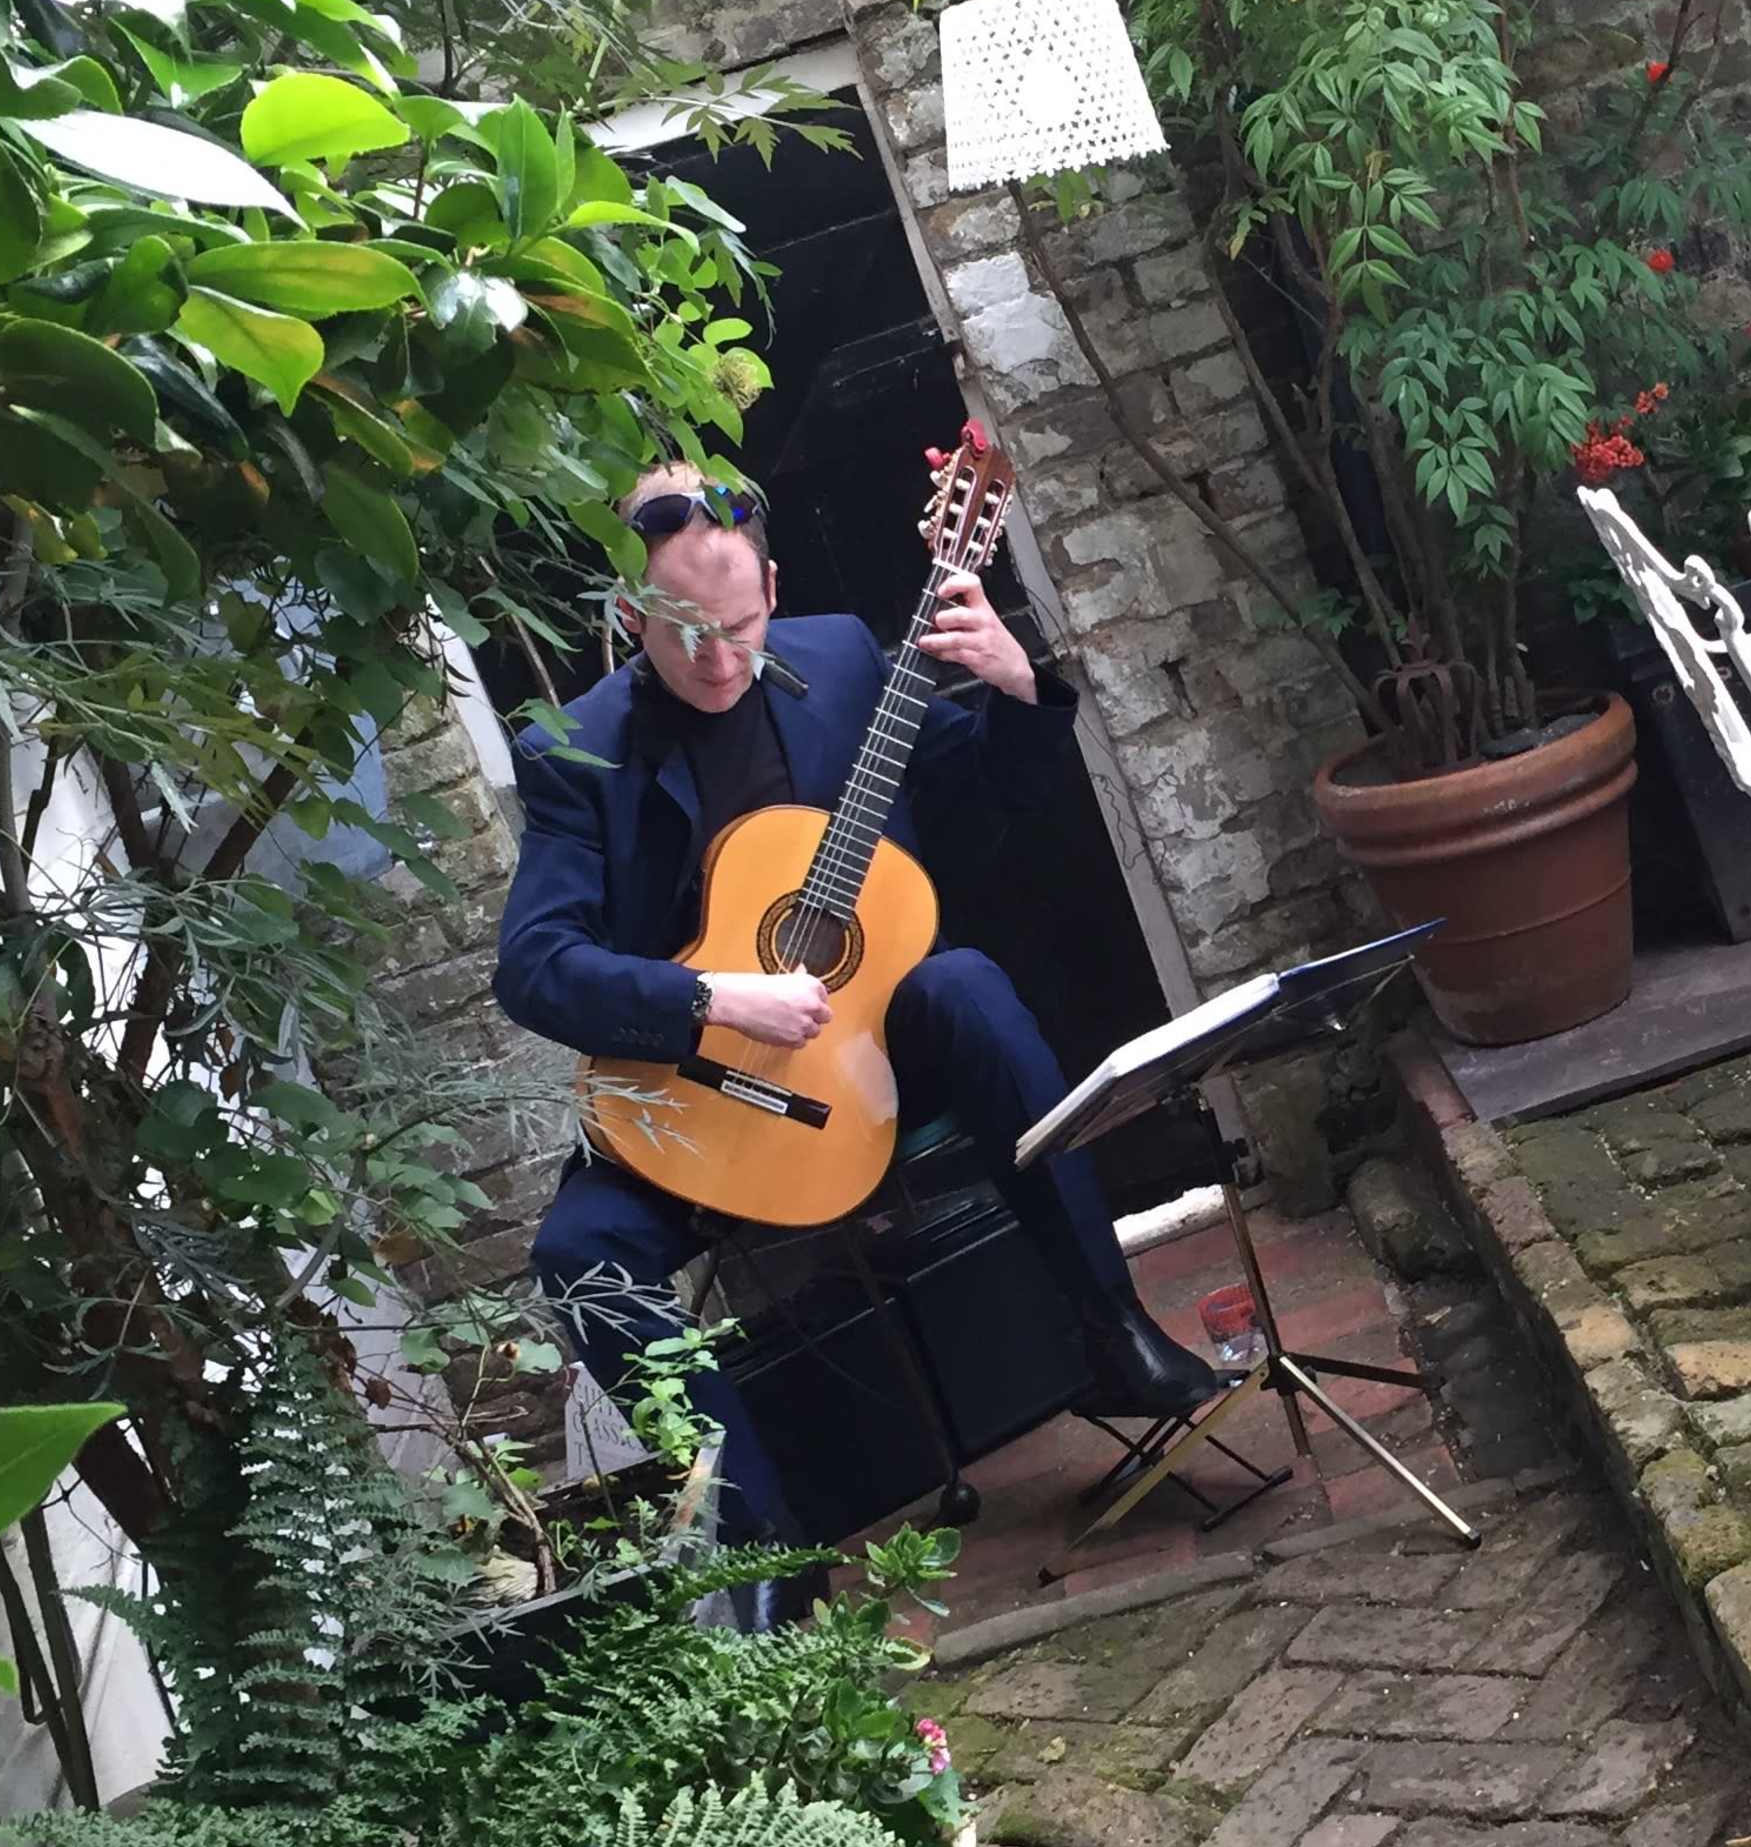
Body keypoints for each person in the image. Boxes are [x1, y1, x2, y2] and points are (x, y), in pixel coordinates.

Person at [493, 467, 1219, 1553]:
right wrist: (712, 997)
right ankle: (757, 1547)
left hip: (878, 1060)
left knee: (964, 984)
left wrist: (1019, 691)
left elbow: (985, 801)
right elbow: (535, 967)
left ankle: (1112, 1331)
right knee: (579, 1251)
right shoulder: (575, 749)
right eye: (684, 632)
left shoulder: (837, 659)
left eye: (739, 626)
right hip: (712, 1098)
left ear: (774, 589)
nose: (718, 659)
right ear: (631, 616)